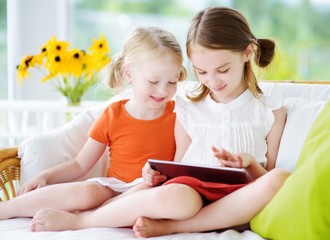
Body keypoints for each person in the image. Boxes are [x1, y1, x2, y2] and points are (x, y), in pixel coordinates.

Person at [28, 6, 290, 236]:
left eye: (222, 70)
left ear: (247, 53)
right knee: (175, 198)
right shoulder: (188, 108)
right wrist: (152, 174)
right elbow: (176, 167)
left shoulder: (271, 110)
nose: (213, 81)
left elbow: (264, 179)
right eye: (201, 72)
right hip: (191, 195)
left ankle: (173, 228)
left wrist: (250, 163)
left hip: (239, 197)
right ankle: (82, 220)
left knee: (279, 178)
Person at [0, 26, 187, 222]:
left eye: (172, 82)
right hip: (113, 188)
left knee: (144, 188)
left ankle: (89, 216)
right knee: (87, 191)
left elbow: (178, 169)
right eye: (153, 81)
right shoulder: (113, 114)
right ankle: (6, 209)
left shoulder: (178, 115)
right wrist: (45, 177)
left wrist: (156, 177)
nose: (163, 91)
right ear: (128, 73)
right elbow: (80, 164)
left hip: (150, 191)